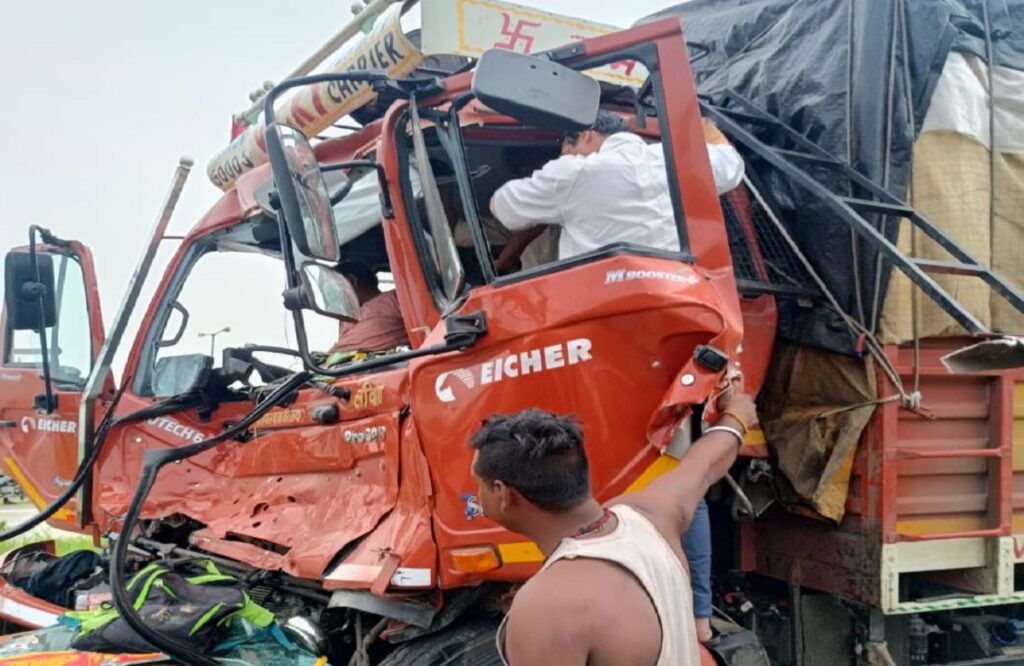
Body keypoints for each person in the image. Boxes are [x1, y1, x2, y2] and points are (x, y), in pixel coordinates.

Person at [468, 387, 758, 665]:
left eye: (477, 484)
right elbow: (703, 465)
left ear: (503, 494)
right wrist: (737, 416)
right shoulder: (652, 515)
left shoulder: (547, 607)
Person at [489, 110, 745, 262]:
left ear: (586, 135)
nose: (565, 157)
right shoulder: (677, 160)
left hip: (603, 307)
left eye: (567, 150)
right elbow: (731, 163)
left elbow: (503, 206)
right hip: (678, 294)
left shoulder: (575, 171)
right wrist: (695, 115)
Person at [330, 260, 409, 353]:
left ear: (351, 281)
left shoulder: (395, 298)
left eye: (331, 287)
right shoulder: (346, 317)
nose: (330, 295)